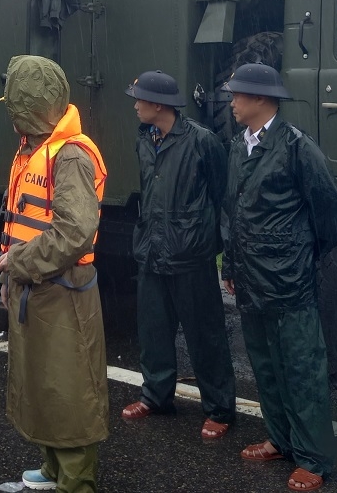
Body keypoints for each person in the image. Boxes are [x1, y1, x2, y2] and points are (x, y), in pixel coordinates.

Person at [221, 63, 337, 492]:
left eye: (237, 94)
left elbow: (327, 208)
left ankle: (314, 458)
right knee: (266, 365)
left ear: (260, 99)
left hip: (289, 280)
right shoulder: (239, 146)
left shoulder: (296, 148)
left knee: (301, 368)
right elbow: (234, 213)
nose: (231, 102)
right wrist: (231, 266)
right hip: (251, 278)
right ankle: (280, 439)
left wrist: (302, 256)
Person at [0, 55, 108, 493]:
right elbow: (23, 222)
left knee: (70, 389)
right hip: (36, 288)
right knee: (42, 383)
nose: (10, 114)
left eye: (14, 104)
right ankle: (54, 467)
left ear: (28, 107)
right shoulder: (34, 148)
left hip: (64, 292)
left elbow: (75, 232)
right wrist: (10, 278)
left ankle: (76, 482)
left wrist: (18, 264)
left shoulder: (70, 155)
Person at [121, 70, 236, 440]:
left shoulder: (202, 141)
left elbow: (222, 198)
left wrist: (220, 249)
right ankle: (155, 396)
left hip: (191, 255)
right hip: (151, 249)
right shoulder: (144, 138)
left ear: (159, 105)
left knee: (205, 335)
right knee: (153, 329)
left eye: (139, 99)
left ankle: (219, 409)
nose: (135, 106)